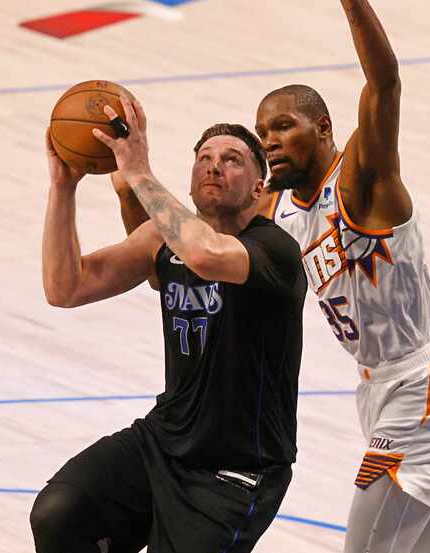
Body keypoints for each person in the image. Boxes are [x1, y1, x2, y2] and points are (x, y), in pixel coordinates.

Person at [116, 1, 430, 551]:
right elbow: (183, 263)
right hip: (378, 387)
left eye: (284, 127)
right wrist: (130, 193)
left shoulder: (361, 179)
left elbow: (385, 83)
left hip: (424, 384)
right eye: (263, 131)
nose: (269, 140)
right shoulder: (277, 211)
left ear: (325, 129)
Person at [30, 97, 306, 553]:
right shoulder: (162, 239)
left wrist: (138, 174)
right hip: (163, 442)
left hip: (237, 471)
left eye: (232, 160)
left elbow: (206, 255)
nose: (215, 167)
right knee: (58, 514)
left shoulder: (274, 250)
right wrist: (63, 187)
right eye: (205, 159)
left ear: (260, 190)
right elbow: (65, 287)